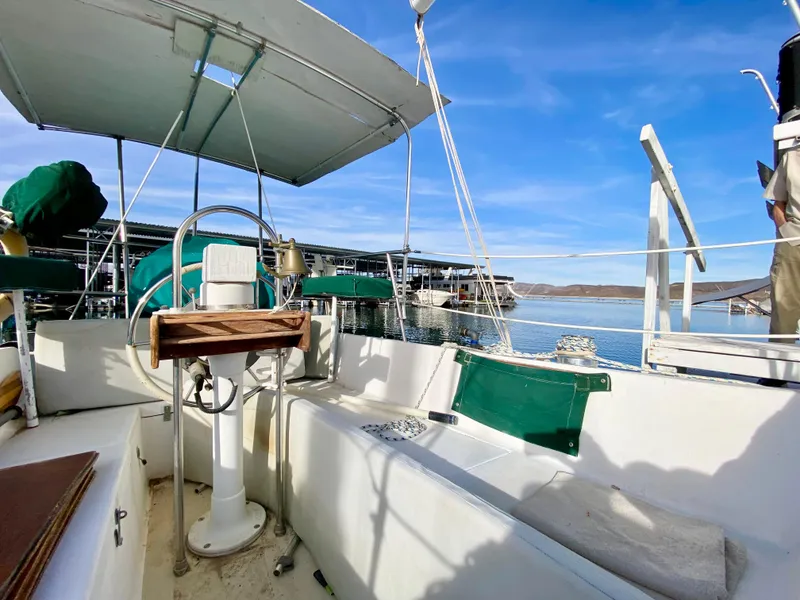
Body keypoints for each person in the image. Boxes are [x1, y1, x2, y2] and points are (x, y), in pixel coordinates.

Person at [762, 149, 800, 385]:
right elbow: (779, 204)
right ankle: (778, 374)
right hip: (793, 240)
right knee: (784, 305)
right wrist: (786, 232)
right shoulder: (792, 159)